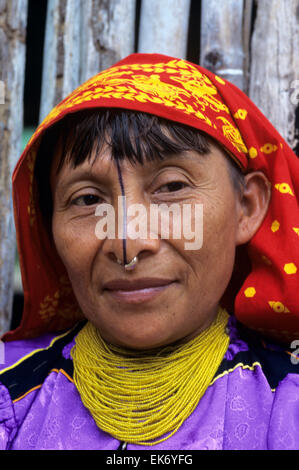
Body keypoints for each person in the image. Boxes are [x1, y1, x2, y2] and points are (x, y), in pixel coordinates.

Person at [0, 53, 299, 450]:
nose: (128, 242)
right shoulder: (12, 395)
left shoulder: (287, 404)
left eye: (172, 188)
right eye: (87, 198)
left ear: (247, 207)